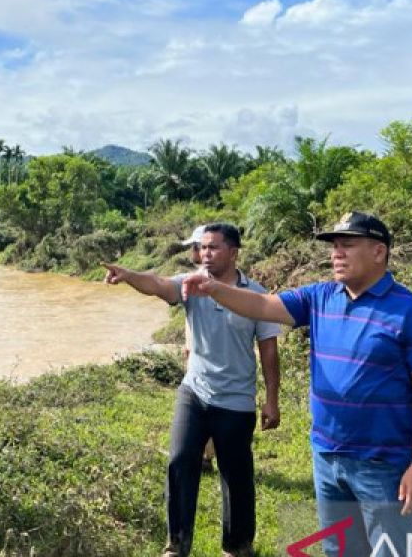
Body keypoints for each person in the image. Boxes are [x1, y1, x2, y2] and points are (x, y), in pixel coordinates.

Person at [184, 212, 412, 557]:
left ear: (379, 252)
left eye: (347, 245)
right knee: (339, 548)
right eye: (334, 246)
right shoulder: (320, 297)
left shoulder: (410, 311)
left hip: (381, 463)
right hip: (326, 455)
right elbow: (263, 304)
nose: (336, 253)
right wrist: (215, 289)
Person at [104, 222, 281, 557]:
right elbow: (157, 284)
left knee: (236, 474)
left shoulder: (257, 295)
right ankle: (176, 544)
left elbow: (269, 351)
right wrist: (128, 275)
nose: (205, 254)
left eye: (213, 247)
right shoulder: (190, 285)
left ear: (233, 251)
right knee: (181, 462)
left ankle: (238, 545)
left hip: (237, 400)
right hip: (195, 392)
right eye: (202, 248)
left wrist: (271, 400)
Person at [179, 225, 218, 474]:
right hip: (194, 353)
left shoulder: (209, 283)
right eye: (197, 247)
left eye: (199, 246)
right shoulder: (193, 279)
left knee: (208, 406)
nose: (195, 252)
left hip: (205, 357)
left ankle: (207, 457)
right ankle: (204, 454)